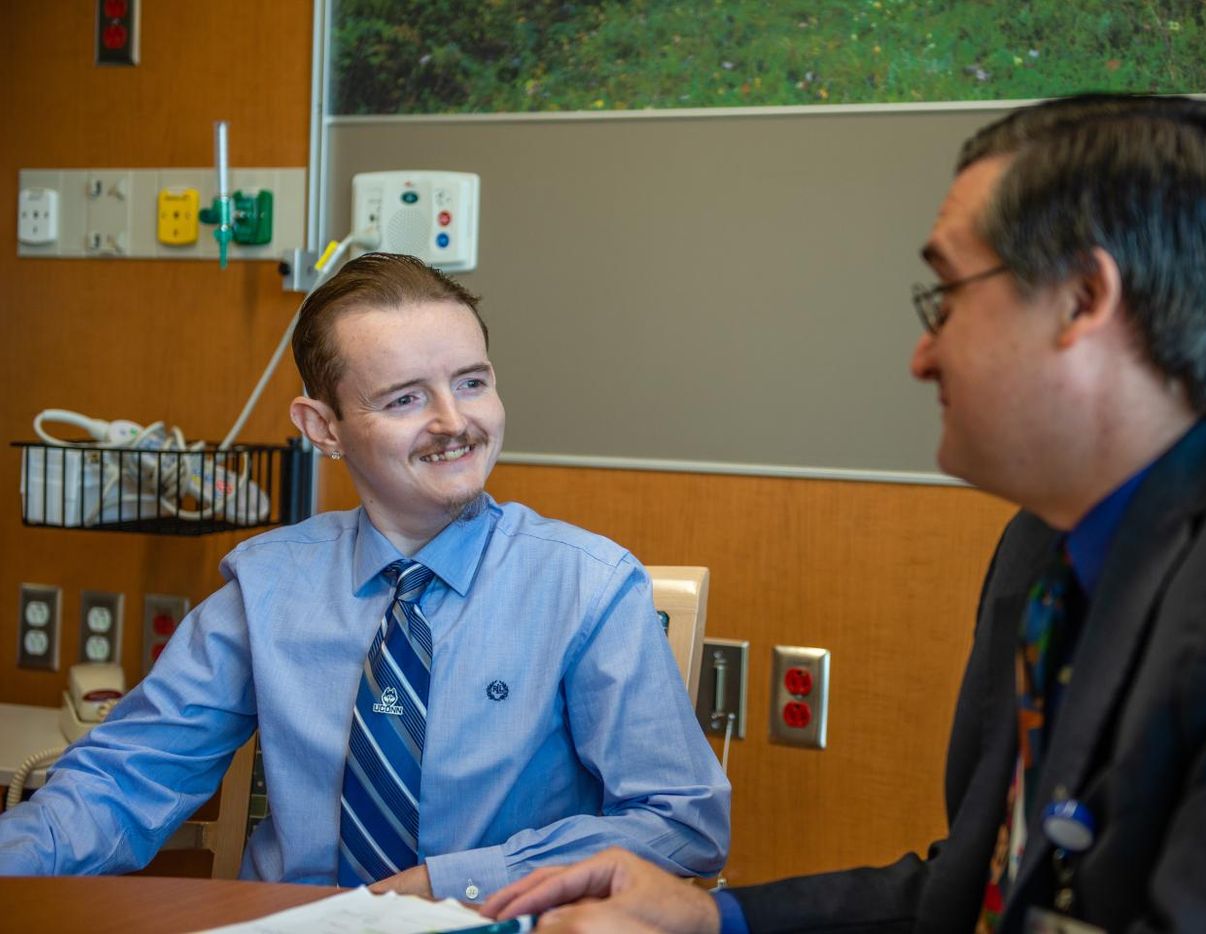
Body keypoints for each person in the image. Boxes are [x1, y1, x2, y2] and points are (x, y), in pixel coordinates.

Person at [480, 94, 1206, 931]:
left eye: (946, 297)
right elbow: (980, 895)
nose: (922, 357)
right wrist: (712, 922)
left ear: (1084, 299)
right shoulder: (1047, 545)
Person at [0, 252, 730, 902]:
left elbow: (681, 822)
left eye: (471, 383)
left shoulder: (587, 589)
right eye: (406, 398)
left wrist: (459, 884)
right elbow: (121, 784)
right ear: (322, 427)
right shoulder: (266, 589)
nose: (455, 422)